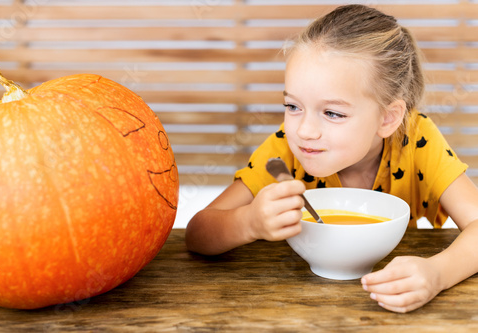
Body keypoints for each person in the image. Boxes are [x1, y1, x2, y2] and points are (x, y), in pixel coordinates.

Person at [185, 4, 478, 313]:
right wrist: (247, 222)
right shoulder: (284, 148)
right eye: (293, 106)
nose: (304, 131)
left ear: (388, 118)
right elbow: (197, 233)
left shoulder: (417, 139)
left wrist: (438, 273)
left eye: (332, 113)